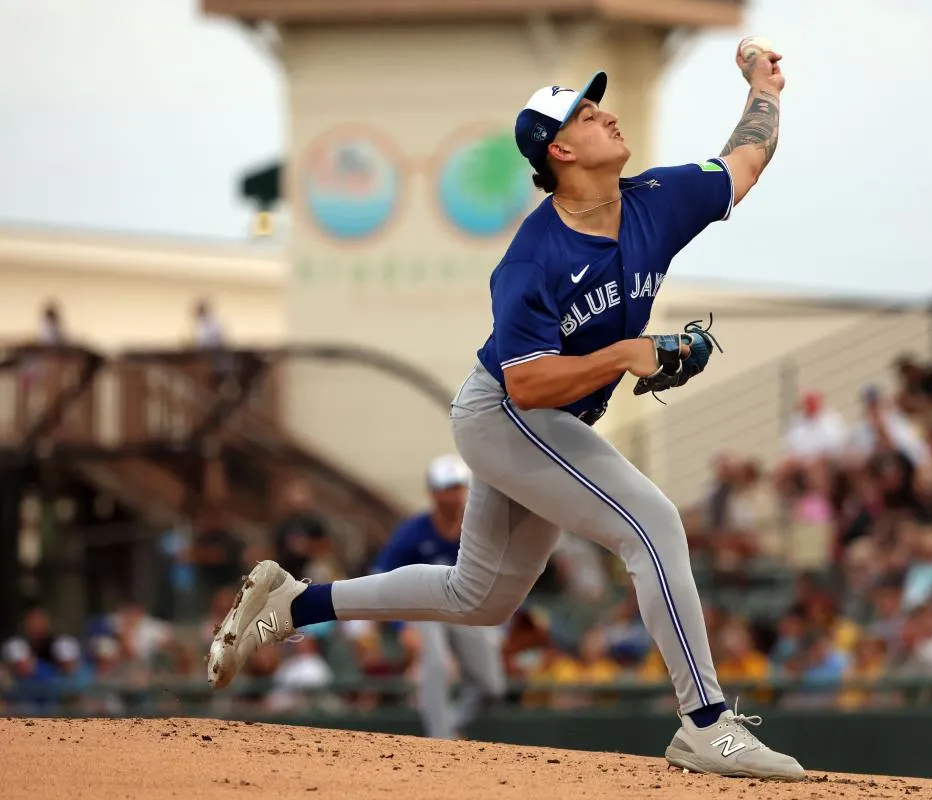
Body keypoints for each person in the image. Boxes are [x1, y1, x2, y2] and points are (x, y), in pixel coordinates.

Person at [207, 43, 803, 781]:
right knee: (652, 524)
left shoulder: (655, 201)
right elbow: (525, 387)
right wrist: (624, 355)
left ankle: (294, 603)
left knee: (479, 596)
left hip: (548, 421)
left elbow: (746, 161)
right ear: (559, 149)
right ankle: (706, 724)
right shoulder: (533, 256)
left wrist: (763, 89)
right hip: (504, 413)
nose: (607, 114)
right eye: (587, 114)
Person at [370, 455, 506, 740]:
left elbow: (498, 576)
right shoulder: (413, 531)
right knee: (436, 664)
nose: (453, 495)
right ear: (432, 493)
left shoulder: (478, 528)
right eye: (446, 488)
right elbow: (379, 577)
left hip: (463, 608)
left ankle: (450, 723)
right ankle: (440, 739)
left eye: (458, 487)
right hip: (424, 608)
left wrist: (499, 620)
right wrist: (400, 625)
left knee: (491, 685)